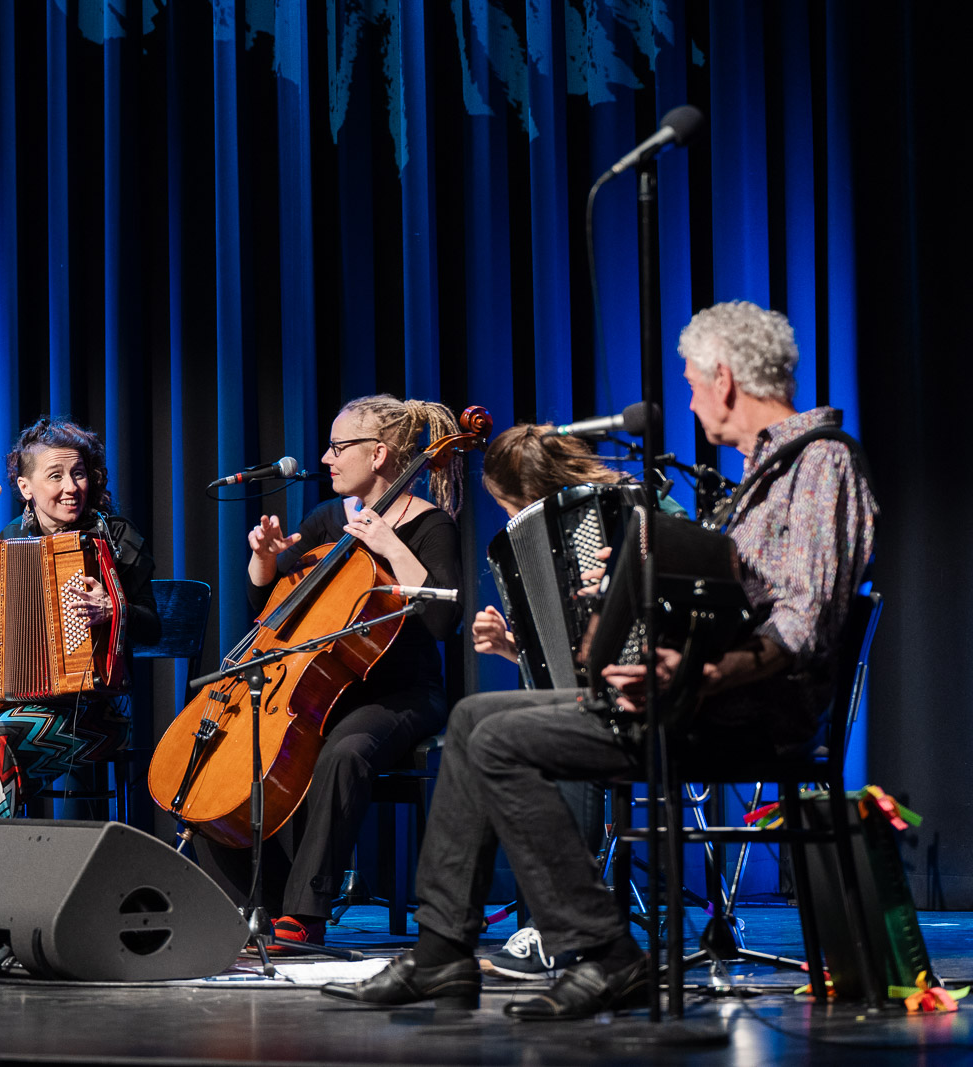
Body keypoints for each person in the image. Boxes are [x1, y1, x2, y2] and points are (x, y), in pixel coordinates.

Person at [322, 301, 876, 1019]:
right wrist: (629, 596)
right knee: (473, 718)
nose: (689, 402)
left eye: (692, 384)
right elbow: (725, 601)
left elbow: (802, 623)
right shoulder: (762, 475)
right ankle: (441, 955)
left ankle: (602, 952)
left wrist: (699, 673)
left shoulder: (822, 463)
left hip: (742, 714)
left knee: (495, 737)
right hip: (700, 698)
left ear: (725, 379)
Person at [196, 394, 465, 949]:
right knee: (225, 753)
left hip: (400, 694)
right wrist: (265, 561)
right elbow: (271, 610)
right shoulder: (327, 519)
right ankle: (259, 903)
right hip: (319, 691)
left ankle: (306, 913)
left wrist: (389, 545)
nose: (326, 458)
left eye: (339, 448)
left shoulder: (430, 525)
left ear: (379, 454)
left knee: (344, 753)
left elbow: (443, 621)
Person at [470, 425, 684, 981]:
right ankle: (536, 923)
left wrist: (632, 575)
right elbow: (562, 662)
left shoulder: (645, 507)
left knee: (552, 741)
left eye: (508, 506)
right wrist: (511, 646)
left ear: (526, 492)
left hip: (664, 701)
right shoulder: (540, 536)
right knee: (496, 727)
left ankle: (558, 927)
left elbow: (689, 602)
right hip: (598, 702)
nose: (509, 517)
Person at [0, 417, 160, 830]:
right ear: (26, 487)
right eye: (56, 476)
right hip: (27, 709)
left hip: (101, 716)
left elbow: (154, 627)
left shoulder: (116, 536)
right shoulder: (14, 536)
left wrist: (114, 609)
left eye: (78, 473)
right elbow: (2, 599)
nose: (72, 487)